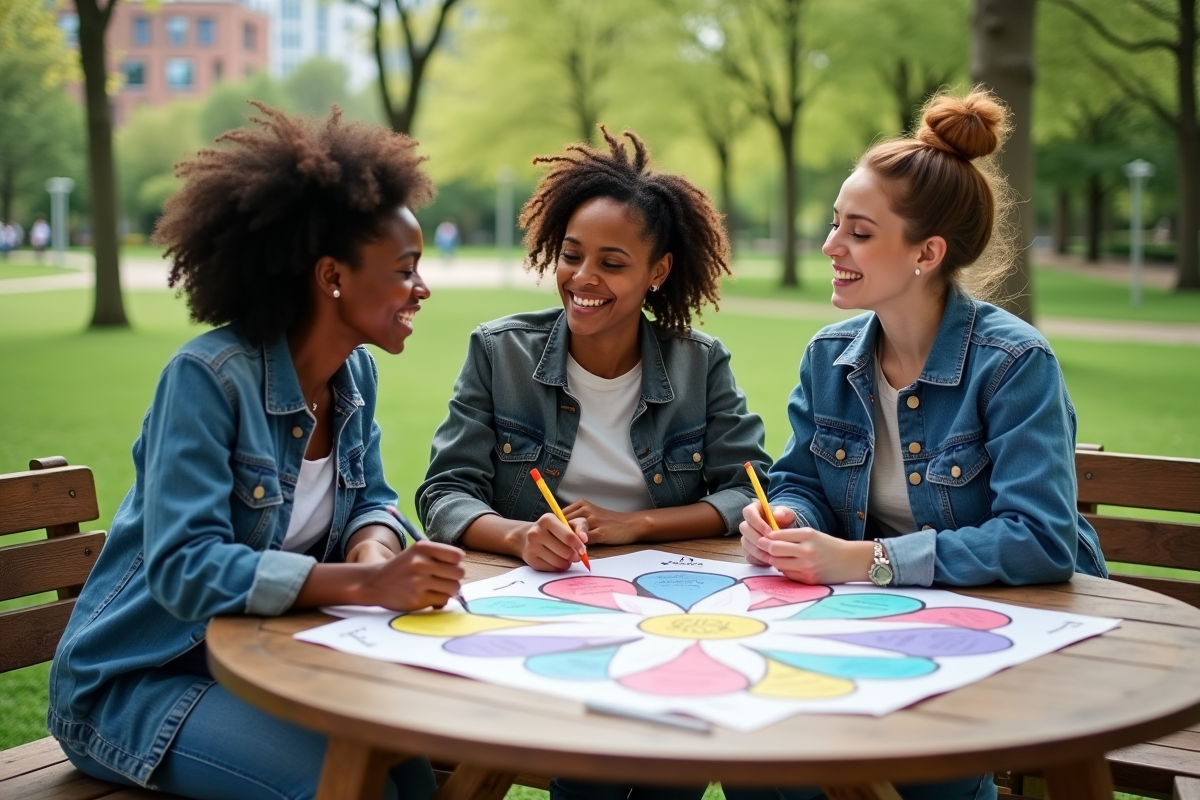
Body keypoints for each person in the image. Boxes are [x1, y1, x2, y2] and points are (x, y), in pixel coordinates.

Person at [47, 104, 464, 800]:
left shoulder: (354, 375)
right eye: (405, 270)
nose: (422, 289)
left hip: (258, 660)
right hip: (138, 683)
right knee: (350, 788)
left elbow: (373, 499)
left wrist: (373, 552)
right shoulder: (208, 380)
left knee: (411, 774)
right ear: (332, 276)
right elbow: (186, 569)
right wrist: (366, 587)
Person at [732, 89, 1107, 800]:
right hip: (875, 625)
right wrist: (786, 518)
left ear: (926, 253)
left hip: (1018, 626)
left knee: (928, 771)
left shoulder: (1013, 364)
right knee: (760, 766)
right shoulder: (829, 356)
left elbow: (1040, 539)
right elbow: (801, 480)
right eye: (835, 223)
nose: (830, 246)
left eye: (858, 232)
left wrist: (866, 560)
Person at [417, 127, 770, 800]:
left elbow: (748, 491)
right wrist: (521, 535)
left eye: (612, 263)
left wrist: (640, 525)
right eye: (572, 255)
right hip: (544, 610)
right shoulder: (500, 353)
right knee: (590, 763)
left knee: (676, 751)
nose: (582, 278)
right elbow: (446, 493)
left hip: (667, 607)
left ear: (656, 272)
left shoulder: (699, 364)